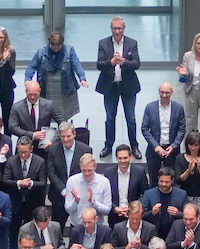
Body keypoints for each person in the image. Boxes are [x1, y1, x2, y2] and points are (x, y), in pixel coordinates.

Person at [94, 16, 142, 159]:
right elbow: (99, 65)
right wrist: (112, 62)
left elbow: (137, 64)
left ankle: (134, 146)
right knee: (110, 118)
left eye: (119, 28)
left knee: (131, 118)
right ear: (111, 28)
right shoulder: (103, 43)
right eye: (114, 28)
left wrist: (124, 62)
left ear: (124, 28)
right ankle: (108, 145)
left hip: (128, 86)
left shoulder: (132, 43)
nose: (117, 31)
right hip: (110, 86)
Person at [25, 31, 87, 123]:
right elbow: (32, 66)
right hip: (47, 87)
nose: (56, 49)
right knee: (46, 114)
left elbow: (76, 65)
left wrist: (82, 78)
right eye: (54, 46)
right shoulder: (41, 51)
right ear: (49, 43)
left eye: (59, 46)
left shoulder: (69, 50)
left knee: (63, 116)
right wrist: (27, 79)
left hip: (65, 88)